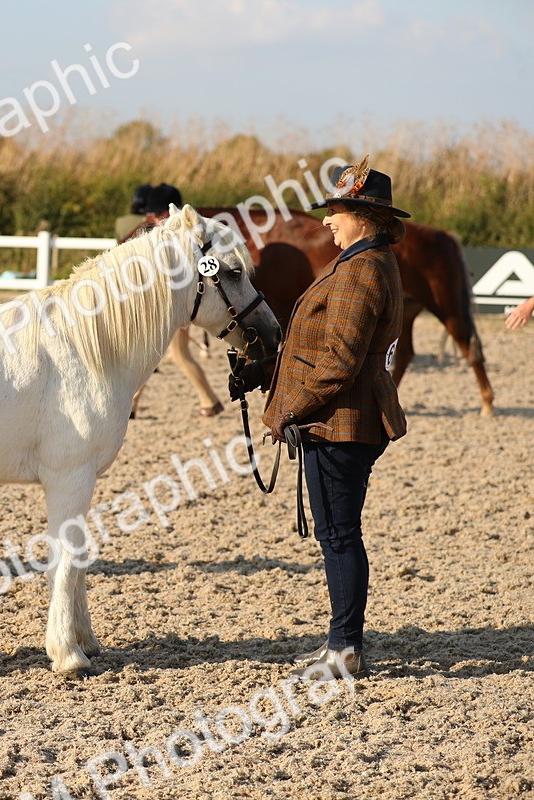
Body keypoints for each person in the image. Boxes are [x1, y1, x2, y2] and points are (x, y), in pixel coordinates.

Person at [247, 157, 409, 681]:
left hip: (342, 423)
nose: (328, 221)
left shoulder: (361, 272)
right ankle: (344, 643)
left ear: (365, 216)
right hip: (341, 419)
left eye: (336, 211)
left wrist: (285, 411)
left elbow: (338, 363)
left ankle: (345, 648)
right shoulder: (366, 261)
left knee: (339, 535)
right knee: (339, 532)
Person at [118, 182, 225, 418]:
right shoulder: (163, 236)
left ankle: (209, 400)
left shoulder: (177, 241)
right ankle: (133, 405)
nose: (151, 217)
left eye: (156, 214)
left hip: (174, 308)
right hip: (165, 309)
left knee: (178, 355)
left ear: (167, 213)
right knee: (152, 354)